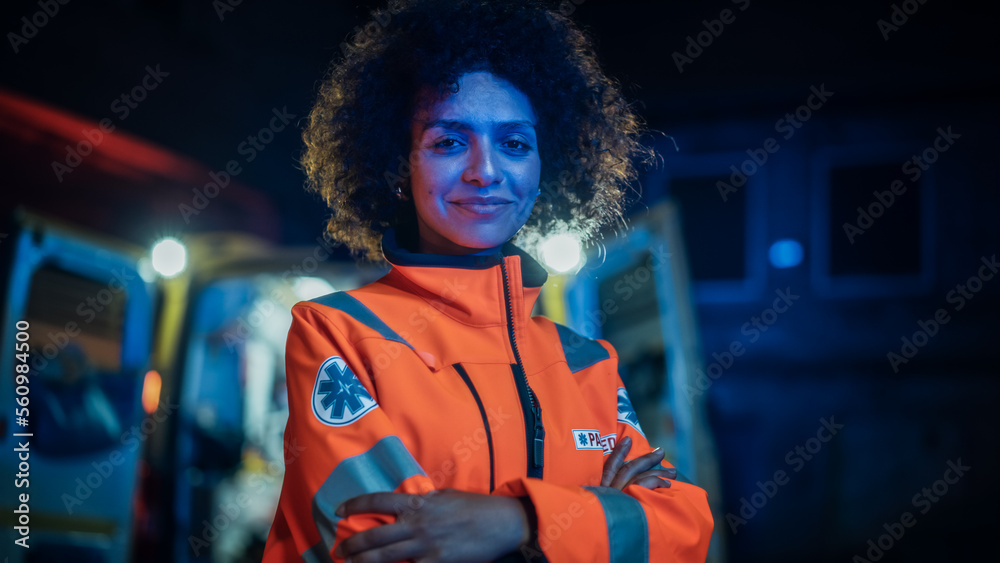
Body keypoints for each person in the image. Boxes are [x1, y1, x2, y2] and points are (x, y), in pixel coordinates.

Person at [263, 0, 714, 561]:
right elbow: (386, 545)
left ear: (546, 166)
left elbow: (684, 528)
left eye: (516, 143)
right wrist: (595, 514)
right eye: (449, 141)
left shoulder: (587, 364)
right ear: (398, 166)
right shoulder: (338, 334)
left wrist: (517, 520)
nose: (487, 170)